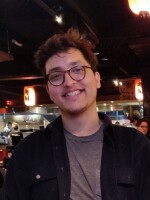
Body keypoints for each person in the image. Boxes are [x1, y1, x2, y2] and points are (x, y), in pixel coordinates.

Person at [1, 28, 150, 200]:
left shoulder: (135, 145)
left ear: (96, 79)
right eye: (56, 76)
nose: (69, 82)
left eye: (78, 69)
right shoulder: (27, 152)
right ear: (49, 90)